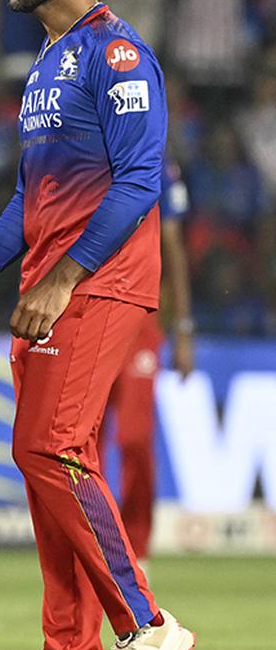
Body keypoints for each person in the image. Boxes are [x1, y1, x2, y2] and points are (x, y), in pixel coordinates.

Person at [0, 0, 195, 650]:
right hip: (43, 287)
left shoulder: (118, 53)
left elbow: (138, 180)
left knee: (50, 447)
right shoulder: (50, 62)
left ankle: (147, 625)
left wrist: (65, 277)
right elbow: (33, 194)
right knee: (44, 457)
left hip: (98, 284)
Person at [100, 158, 195, 564]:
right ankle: (94, 546)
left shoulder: (156, 164)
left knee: (133, 437)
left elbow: (171, 243)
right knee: (84, 442)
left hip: (141, 316)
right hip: (91, 310)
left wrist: (184, 328)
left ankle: (136, 551)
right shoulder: (85, 155)